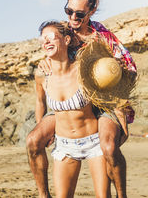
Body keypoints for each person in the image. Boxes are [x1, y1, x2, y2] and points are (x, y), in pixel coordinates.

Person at [26, 0, 137, 198]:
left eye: (79, 13)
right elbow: (50, 44)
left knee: (108, 148)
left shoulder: (102, 37)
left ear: (91, 12)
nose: (73, 17)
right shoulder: (64, 32)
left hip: (101, 102)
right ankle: (42, 194)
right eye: (68, 11)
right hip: (70, 100)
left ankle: (121, 194)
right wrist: (45, 60)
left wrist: (122, 113)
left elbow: (128, 70)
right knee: (33, 140)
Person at [36, 20, 110, 198]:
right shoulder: (41, 74)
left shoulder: (83, 69)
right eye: (43, 39)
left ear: (67, 40)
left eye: (52, 37)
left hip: (94, 142)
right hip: (65, 146)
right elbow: (40, 102)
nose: (46, 42)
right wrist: (43, 130)